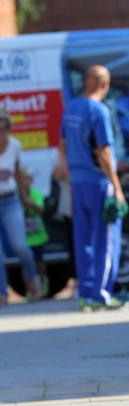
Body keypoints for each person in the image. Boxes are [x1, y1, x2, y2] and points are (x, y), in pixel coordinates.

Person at [59, 66, 128, 310]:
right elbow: (104, 151)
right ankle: (101, 294)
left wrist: (70, 176)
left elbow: (62, 145)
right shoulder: (99, 110)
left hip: (78, 183)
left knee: (83, 240)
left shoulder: (71, 108)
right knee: (106, 240)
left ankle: (86, 294)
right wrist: (117, 187)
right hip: (98, 183)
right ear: (104, 84)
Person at [0, 111, 40, 305]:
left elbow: (17, 173)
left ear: (9, 129)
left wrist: (24, 196)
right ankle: (2, 293)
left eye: (3, 129)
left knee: (20, 246)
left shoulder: (14, 146)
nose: (0, 134)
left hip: (10, 199)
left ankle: (32, 280)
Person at [19, 166, 49, 296]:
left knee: (39, 263)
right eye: (22, 180)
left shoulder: (36, 193)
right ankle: (30, 289)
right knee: (26, 264)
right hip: (24, 237)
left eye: (27, 179)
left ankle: (42, 281)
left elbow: (41, 209)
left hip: (37, 236)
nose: (24, 183)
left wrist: (30, 203)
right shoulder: (16, 196)